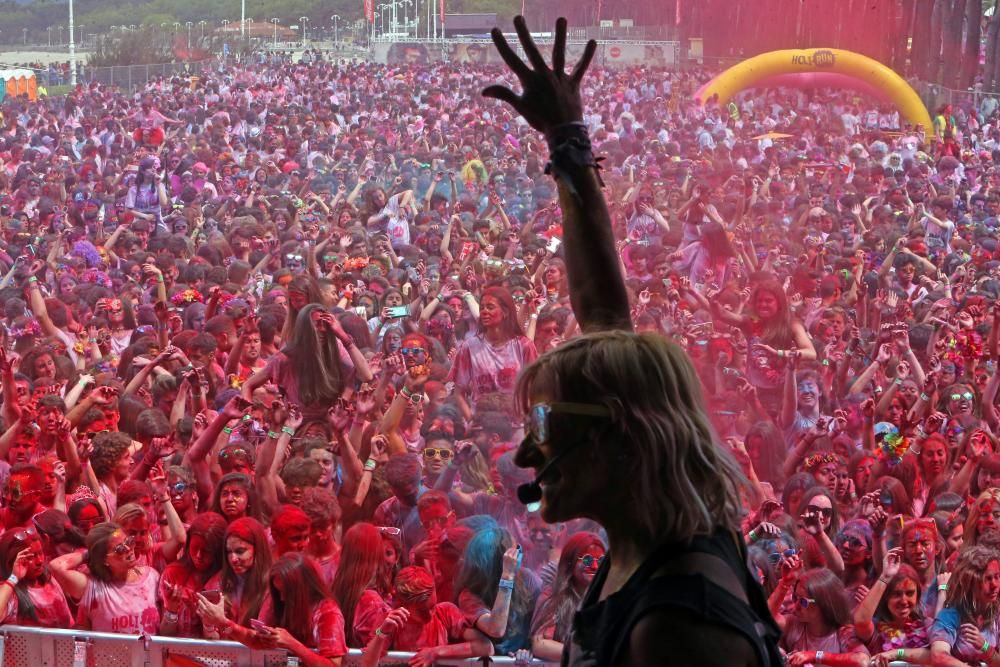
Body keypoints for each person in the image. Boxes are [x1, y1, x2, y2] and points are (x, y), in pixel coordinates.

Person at [487, 17, 781, 666]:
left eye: (546, 424)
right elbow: (603, 315)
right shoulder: (656, 539)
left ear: (619, 433)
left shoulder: (680, 627)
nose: (530, 453)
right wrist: (565, 140)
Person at [49, 522, 161, 634]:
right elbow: (56, 567)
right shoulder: (92, 588)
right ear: (104, 560)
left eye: (129, 541)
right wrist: (90, 554)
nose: (128, 549)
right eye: (119, 549)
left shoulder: (152, 577)